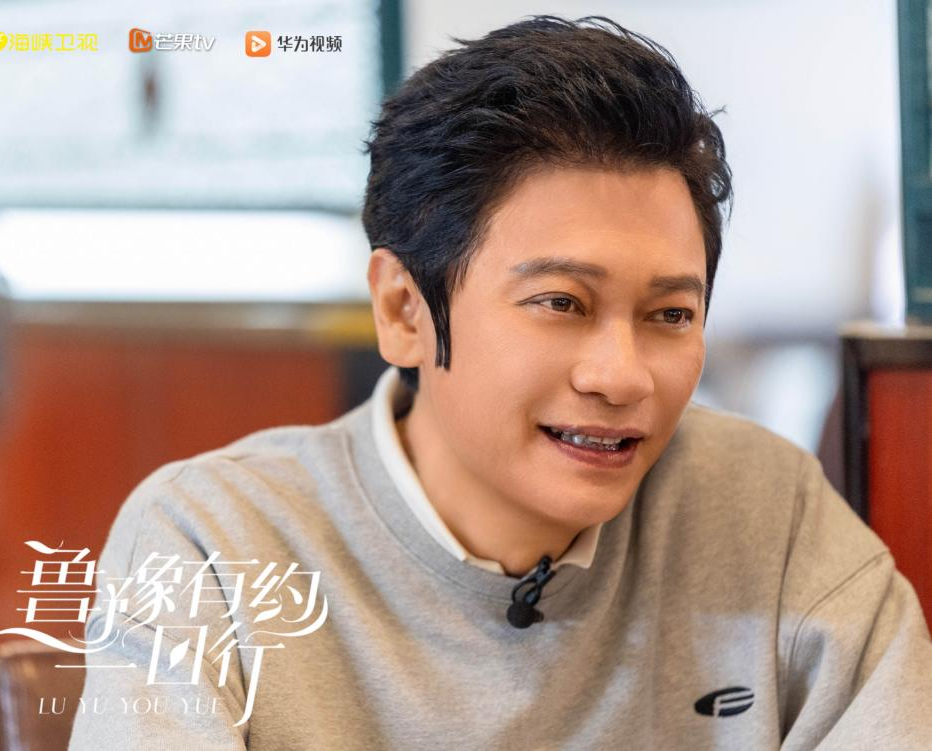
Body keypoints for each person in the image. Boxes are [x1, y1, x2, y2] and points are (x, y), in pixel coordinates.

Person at [69, 16, 932, 749]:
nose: (621, 375)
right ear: (404, 309)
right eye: (561, 302)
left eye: (670, 313)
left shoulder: (766, 510)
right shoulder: (215, 542)